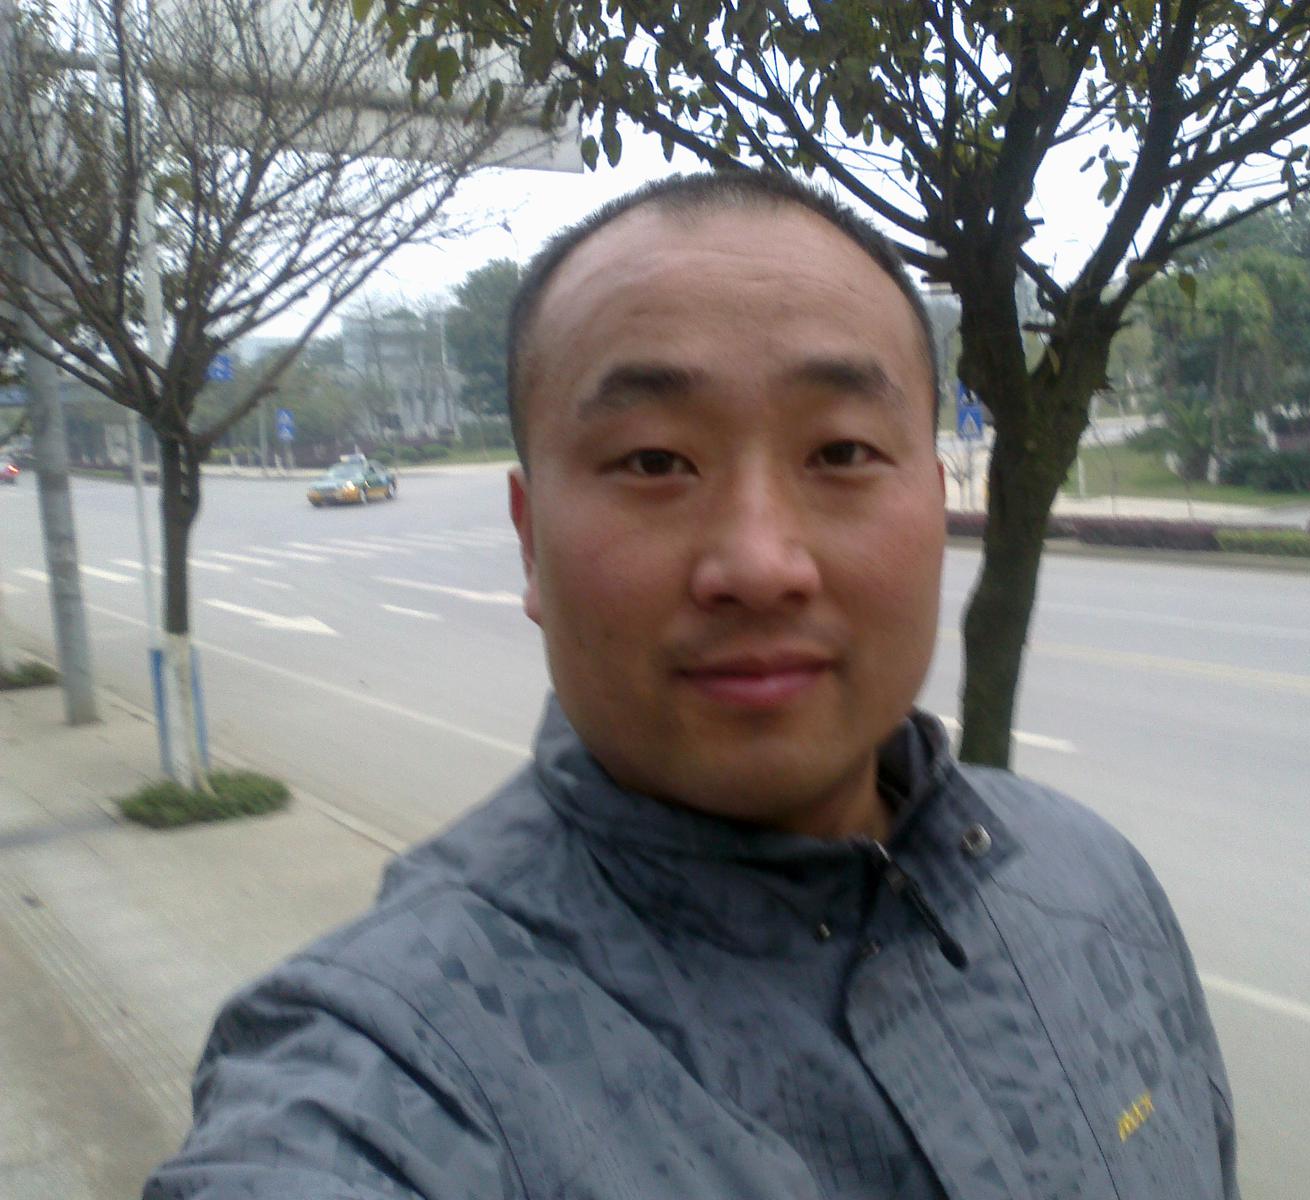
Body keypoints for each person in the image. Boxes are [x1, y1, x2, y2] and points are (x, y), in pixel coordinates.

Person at [145, 171, 1238, 1200]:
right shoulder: (396, 1067)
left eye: (842, 452)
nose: (760, 565)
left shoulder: (1090, 882)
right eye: (655, 461)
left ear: (937, 495)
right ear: (529, 542)